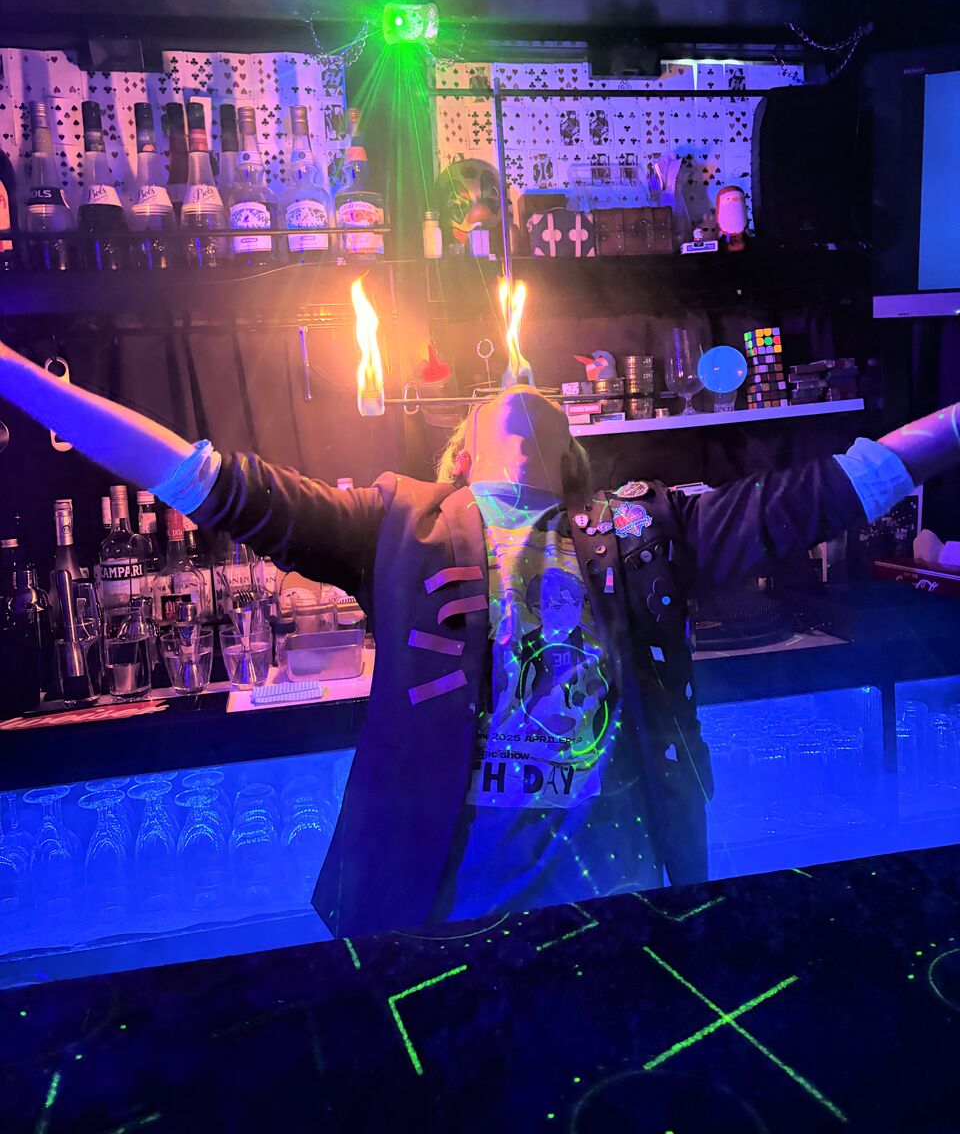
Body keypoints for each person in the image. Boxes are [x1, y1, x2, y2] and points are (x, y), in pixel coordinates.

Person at [0, 337, 958, 935]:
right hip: (432, 924)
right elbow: (192, 475)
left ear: (575, 460)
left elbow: (837, 488)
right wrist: (16, 376)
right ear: (458, 455)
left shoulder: (641, 528)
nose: (518, 389)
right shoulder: (399, 524)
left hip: (624, 915)